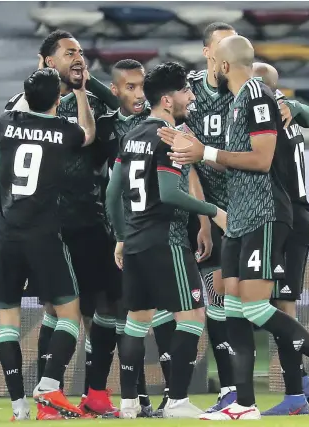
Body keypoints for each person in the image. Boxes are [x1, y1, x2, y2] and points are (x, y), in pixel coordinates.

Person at [158, 35, 309, 420]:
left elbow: (262, 160)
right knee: (233, 308)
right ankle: (244, 404)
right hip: (238, 216)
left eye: (215, 61)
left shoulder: (256, 96)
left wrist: (206, 152)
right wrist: (192, 147)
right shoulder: (236, 103)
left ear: (226, 66)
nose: (210, 67)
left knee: (253, 306)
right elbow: (232, 162)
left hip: (265, 214)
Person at [5, 30, 118, 419]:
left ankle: (94, 393)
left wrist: (88, 87)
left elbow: (121, 108)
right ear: (48, 62)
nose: (79, 59)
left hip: (89, 221)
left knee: (100, 309)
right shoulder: (25, 106)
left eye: (82, 53)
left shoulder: (98, 108)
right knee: (55, 311)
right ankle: (49, 397)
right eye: (69, 53)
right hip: (51, 228)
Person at [105, 62, 227, 419]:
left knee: (136, 322)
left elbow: (113, 194)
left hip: (137, 240)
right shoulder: (170, 136)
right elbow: (171, 193)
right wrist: (214, 211)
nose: (191, 96)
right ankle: (176, 401)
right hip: (167, 239)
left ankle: (128, 404)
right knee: (193, 316)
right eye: (186, 91)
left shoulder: (132, 134)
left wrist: (121, 237)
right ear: (167, 99)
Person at [0, 67, 95, 420]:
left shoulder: (6, 121)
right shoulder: (62, 131)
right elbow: (89, 133)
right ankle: (48, 384)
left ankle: (18, 407)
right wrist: (79, 92)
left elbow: (24, 102)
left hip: (4, 235)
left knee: (7, 323)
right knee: (69, 314)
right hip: (42, 235)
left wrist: (40, 72)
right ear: (58, 100)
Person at [96, 59, 176, 418]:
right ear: (115, 92)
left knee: (144, 317)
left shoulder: (144, 129)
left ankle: (141, 400)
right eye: (129, 87)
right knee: (144, 315)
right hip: (136, 233)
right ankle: (155, 398)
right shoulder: (111, 128)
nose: (139, 93)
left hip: (132, 235)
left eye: (142, 86)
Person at [252, 62, 309, 416]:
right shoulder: (285, 110)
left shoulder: (269, 117)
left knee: (282, 307)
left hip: (288, 219)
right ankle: (301, 381)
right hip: (294, 216)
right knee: (273, 306)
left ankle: (297, 394)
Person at [183, 22, 239, 412]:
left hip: (238, 210)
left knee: (232, 300)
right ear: (207, 53)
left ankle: (232, 388)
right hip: (195, 211)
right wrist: (204, 217)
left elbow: (301, 111)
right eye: (221, 48)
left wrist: (295, 107)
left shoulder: (247, 89)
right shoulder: (188, 90)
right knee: (196, 302)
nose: (227, 56)